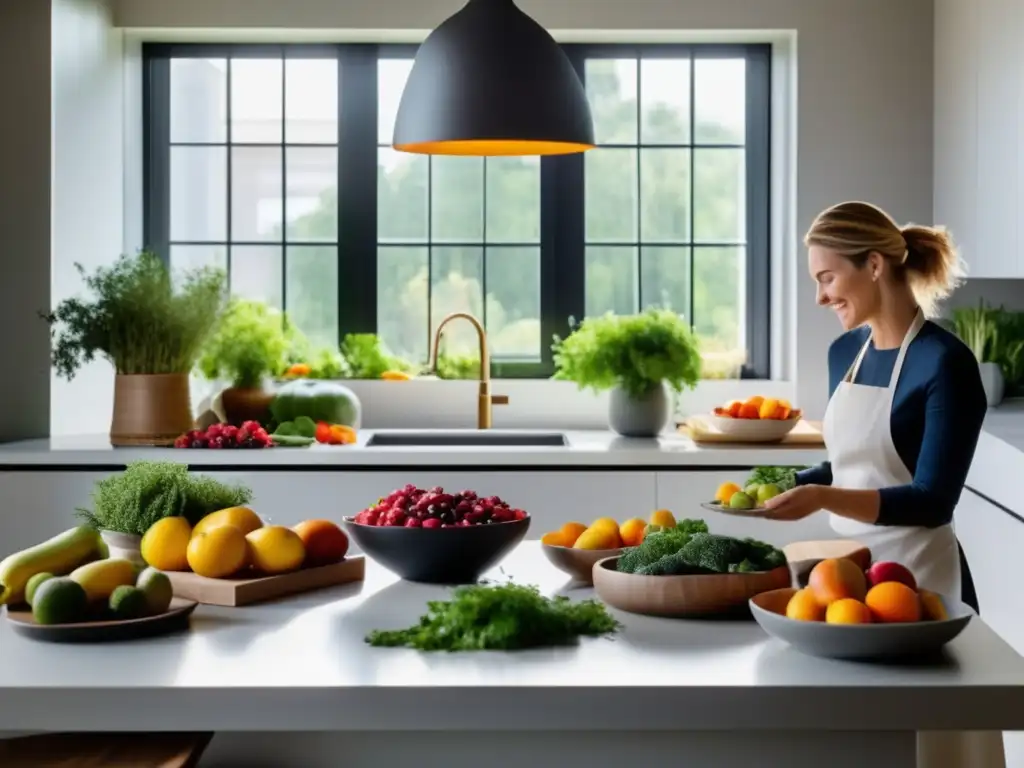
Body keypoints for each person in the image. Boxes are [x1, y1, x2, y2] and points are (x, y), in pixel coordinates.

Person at [757, 201, 1004, 768]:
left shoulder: (945, 364)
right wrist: (789, 484)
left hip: (920, 584)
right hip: (843, 579)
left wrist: (819, 497)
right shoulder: (845, 352)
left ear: (873, 265)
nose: (820, 297)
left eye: (827, 277)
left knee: (931, 743)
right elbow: (852, 464)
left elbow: (931, 498)